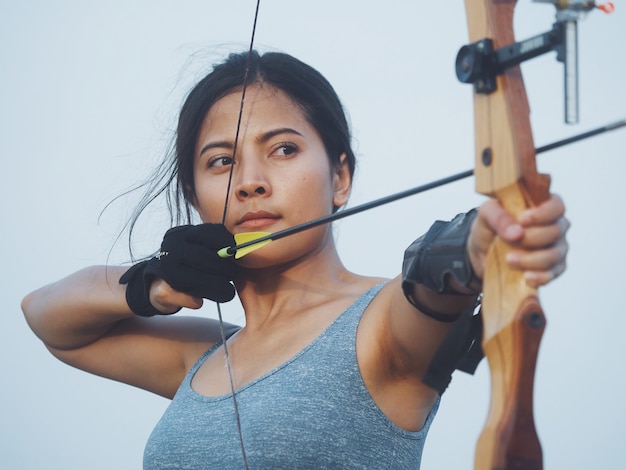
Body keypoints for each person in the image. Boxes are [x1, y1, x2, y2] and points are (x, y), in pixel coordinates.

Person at [21, 50, 569, 469]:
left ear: (340, 177)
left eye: (283, 149)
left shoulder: (378, 326)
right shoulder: (204, 357)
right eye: (221, 162)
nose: (252, 183)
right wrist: (155, 287)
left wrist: (488, 240)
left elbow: (433, 282)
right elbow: (48, 318)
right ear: (196, 197)